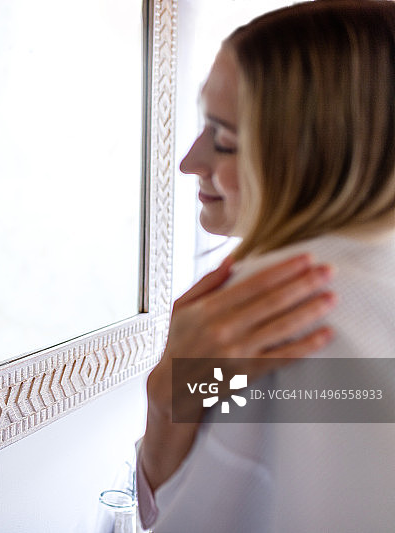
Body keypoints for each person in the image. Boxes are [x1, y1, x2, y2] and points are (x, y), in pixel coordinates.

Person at [138, 1, 395, 531]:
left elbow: (197, 517)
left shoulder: (288, 308)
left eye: (224, 139)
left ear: (319, 152)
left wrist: (172, 399)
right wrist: (175, 394)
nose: (190, 162)